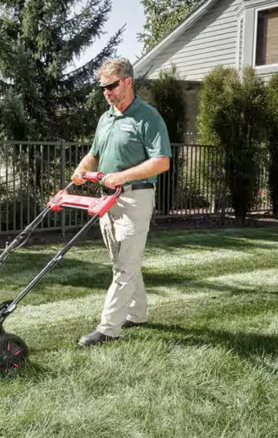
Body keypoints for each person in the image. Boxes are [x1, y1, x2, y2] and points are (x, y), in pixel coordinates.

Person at [71, 57, 172, 347]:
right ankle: (137, 314)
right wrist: (82, 168)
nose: (107, 92)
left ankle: (108, 328)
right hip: (108, 201)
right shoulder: (106, 118)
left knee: (125, 265)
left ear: (128, 81)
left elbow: (161, 162)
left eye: (112, 86)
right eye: (103, 87)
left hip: (135, 198)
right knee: (123, 261)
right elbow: (94, 154)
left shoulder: (148, 117)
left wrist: (121, 177)